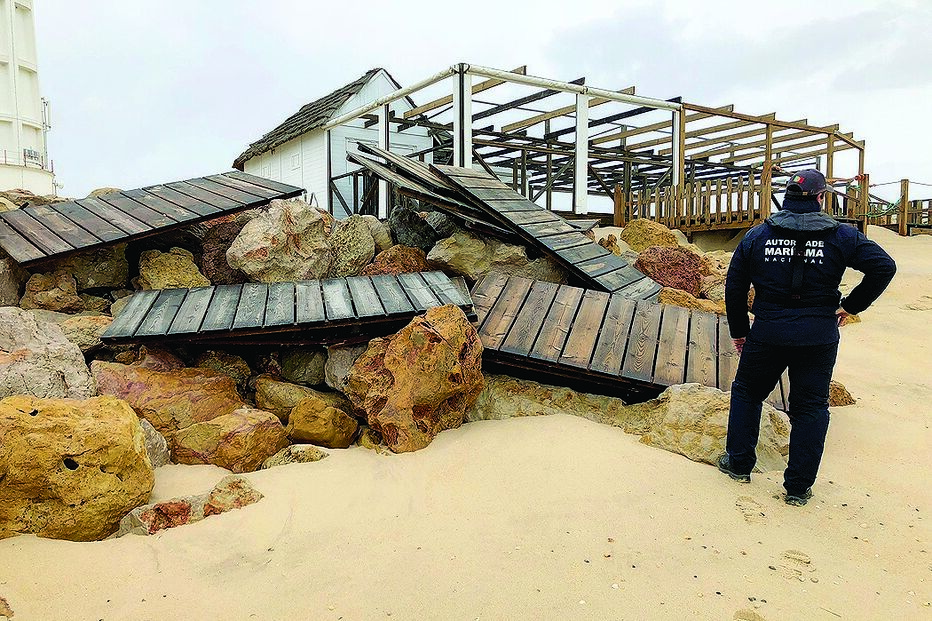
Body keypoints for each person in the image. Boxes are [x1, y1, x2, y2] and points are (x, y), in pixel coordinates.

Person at [718, 169, 896, 506]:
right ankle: (798, 488)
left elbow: (735, 285)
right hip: (818, 334)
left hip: (769, 331)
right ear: (820, 197)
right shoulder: (842, 235)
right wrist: (851, 306)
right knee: (810, 407)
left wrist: (740, 332)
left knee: (747, 393)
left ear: (786, 196)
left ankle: (738, 465)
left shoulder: (757, 236)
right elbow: (883, 267)